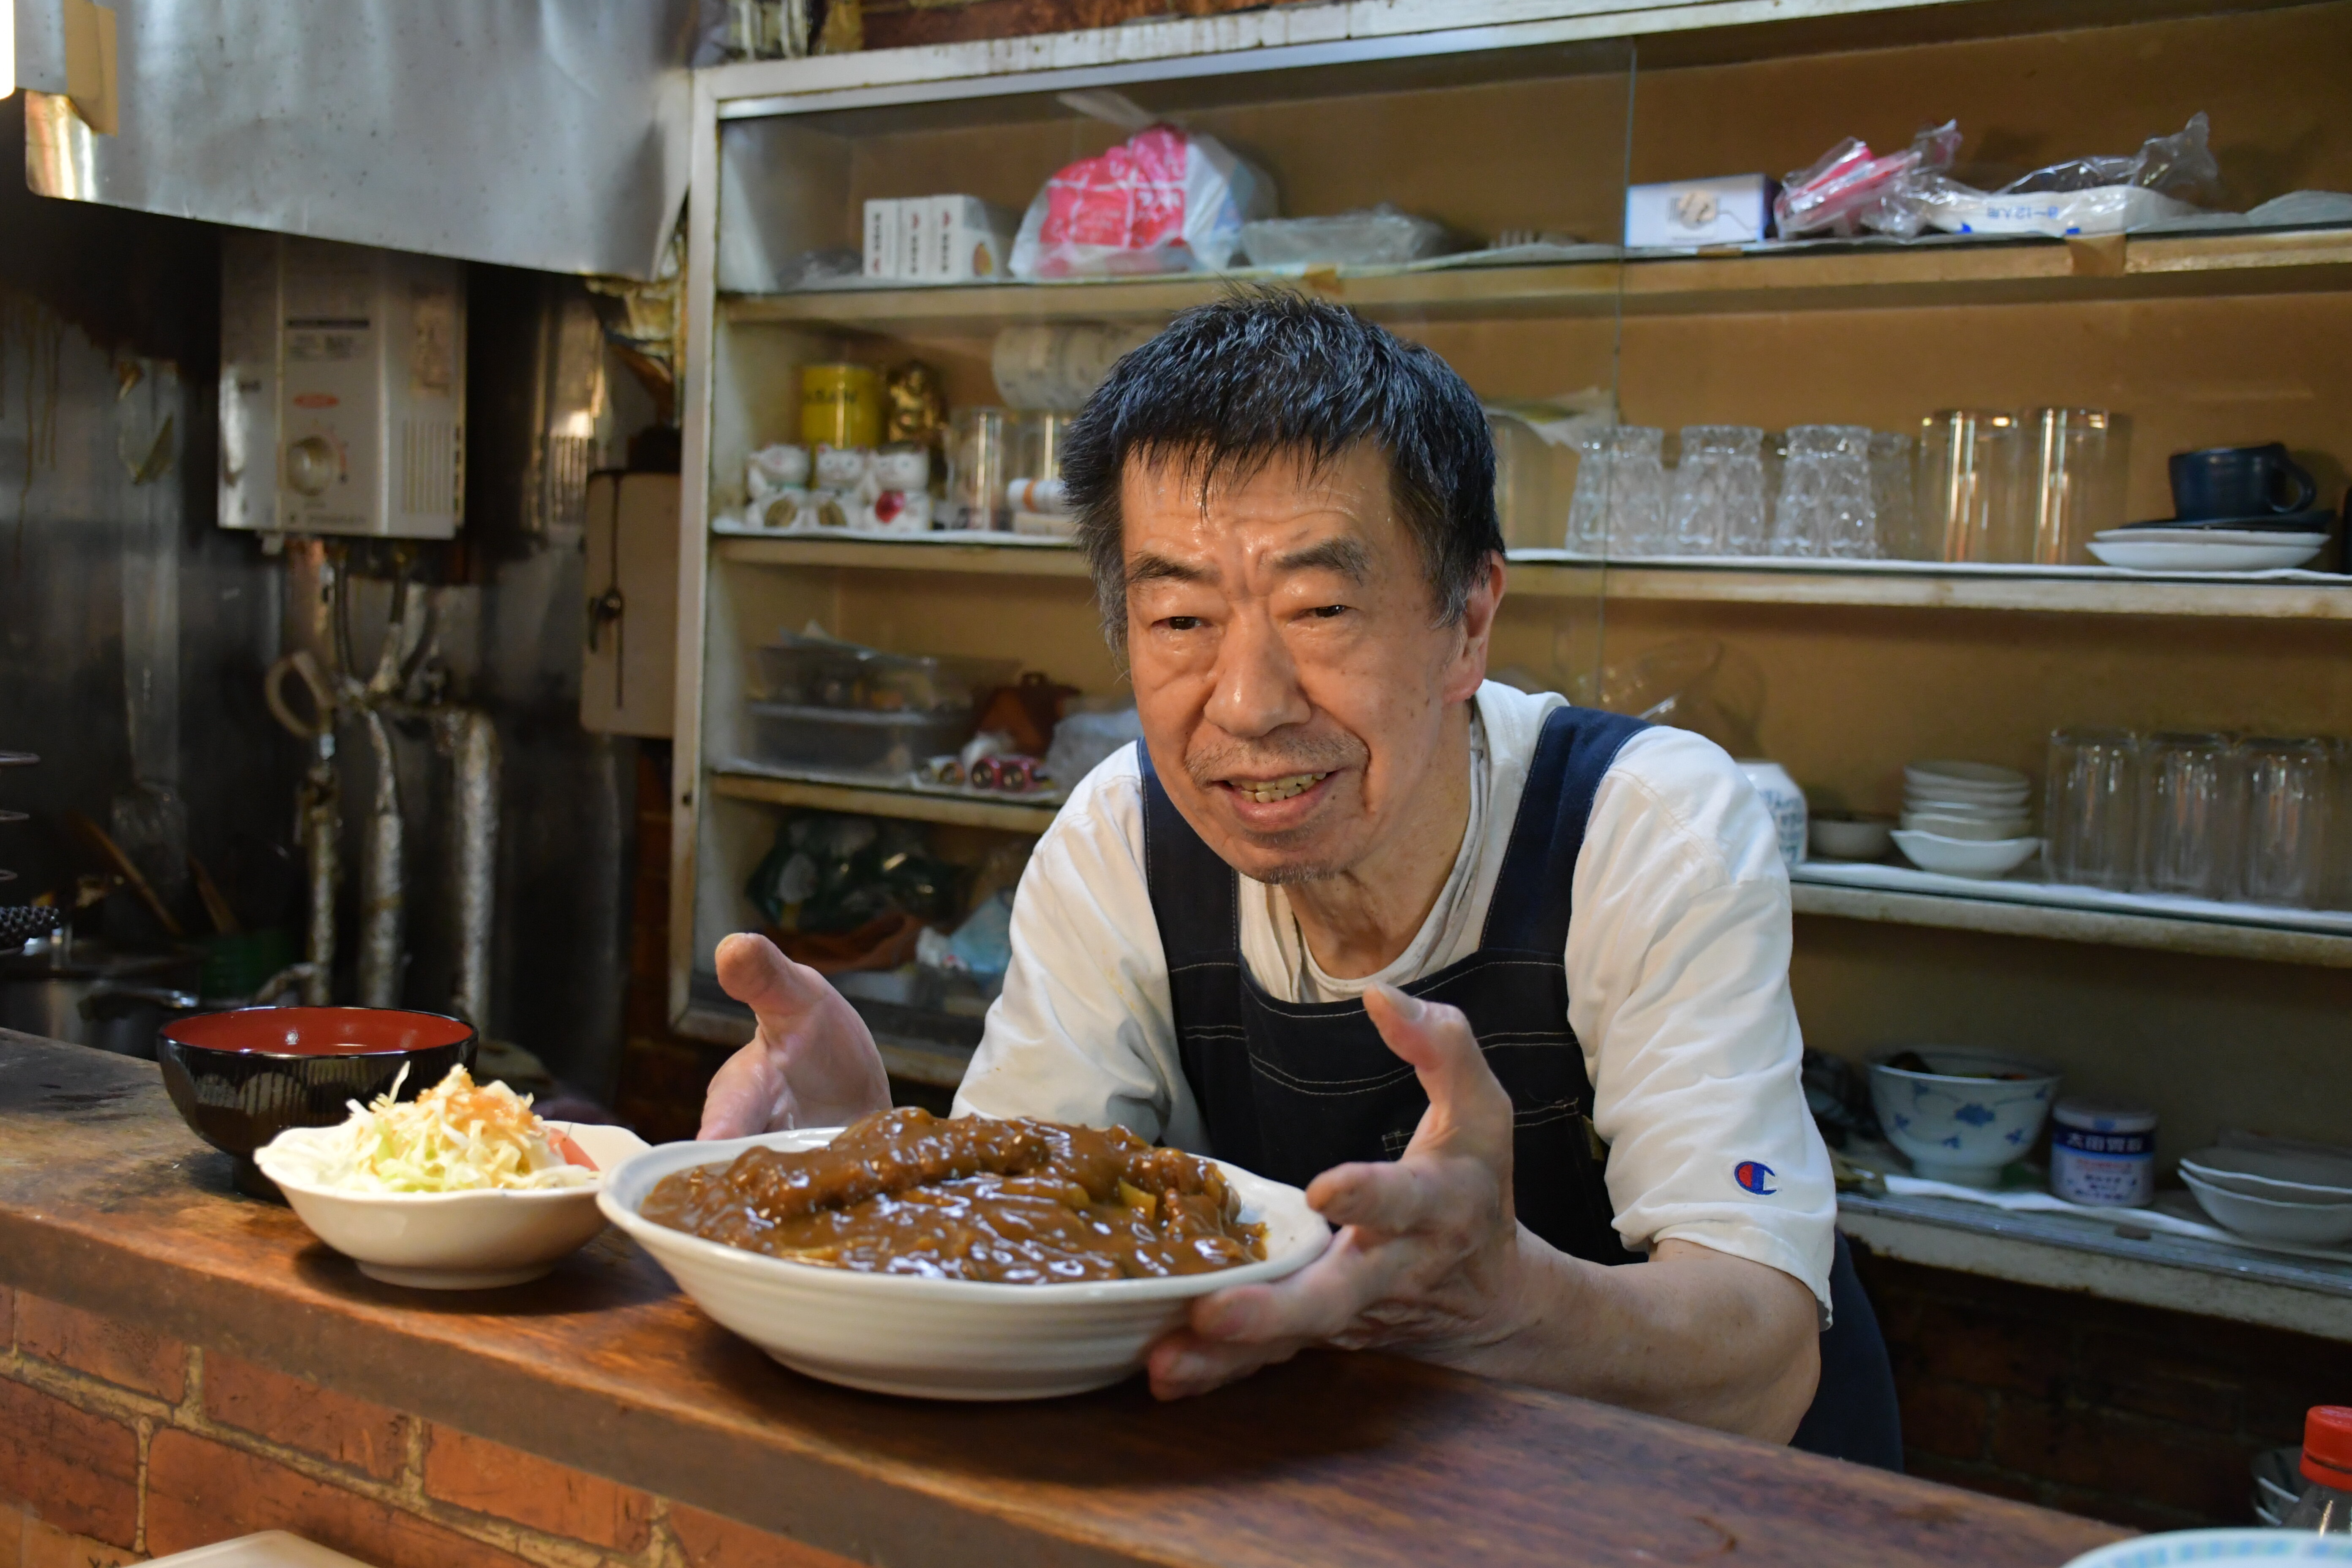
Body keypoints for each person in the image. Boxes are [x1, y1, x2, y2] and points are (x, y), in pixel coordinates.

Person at [699, 292, 1899, 1463]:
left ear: (1468, 620)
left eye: (1321, 609)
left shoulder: (1644, 824)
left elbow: (1763, 1357)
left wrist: (1507, 1302)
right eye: (1180, 622)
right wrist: (872, 1165)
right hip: (1358, 1493)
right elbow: (1028, 1268)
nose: (1249, 704)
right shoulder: (1124, 835)